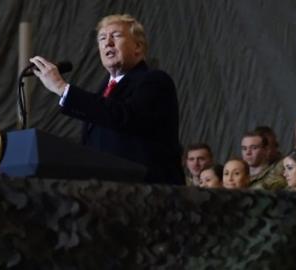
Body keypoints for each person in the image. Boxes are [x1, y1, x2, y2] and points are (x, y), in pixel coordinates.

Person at [29, 14, 183, 185]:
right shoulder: (103, 90)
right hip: (105, 193)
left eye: (116, 36)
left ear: (138, 47)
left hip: (149, 191)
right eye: (102, 38)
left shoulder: (154, 80)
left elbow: (124, 116)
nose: (107, 42)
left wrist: (61, 87)